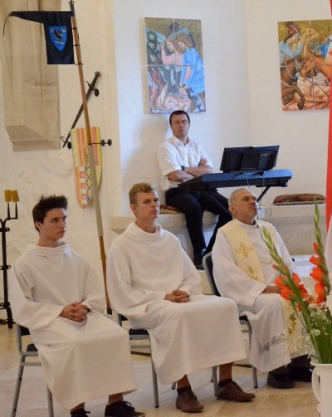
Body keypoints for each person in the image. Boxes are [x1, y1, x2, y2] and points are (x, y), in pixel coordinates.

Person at [107, 183, 254, 413]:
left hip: (179, 298)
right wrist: (162, 296)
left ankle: (225, 382)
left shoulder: (169, 239)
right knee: (175, 315)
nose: (154, 205)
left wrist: (184, 290)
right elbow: (121, 290)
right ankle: (184, 390)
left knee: (226, 306)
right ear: (133, 208)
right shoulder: (122, 245)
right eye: (147, 202)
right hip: (146, 305)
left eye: (156, 200)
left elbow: (190, 276)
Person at [9, 195, 142, 417]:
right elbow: (22, 307)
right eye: (54, 220)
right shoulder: (23, 264)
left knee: (116, 334)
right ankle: (77, 409)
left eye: (64, 219)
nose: (62, 225)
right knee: (74, 343)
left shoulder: (77, 259)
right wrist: (61, 311)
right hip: (49, 323)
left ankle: (115, 404)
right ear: (38, 224)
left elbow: (95, 294)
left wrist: (85, 306)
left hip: (83, 316)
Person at [212, 188, 312, 389]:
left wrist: (291, 283)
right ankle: (277, 369)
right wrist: (265, 289)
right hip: (248, 294)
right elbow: (226, 272)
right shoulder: (225, 234)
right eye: (246, 199)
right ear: (232, 209)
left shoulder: (269, 229)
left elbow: (286, 260)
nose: (252, 202)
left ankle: (300, 363)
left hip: (278, 289)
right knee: (274, 304)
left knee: (305, 298)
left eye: (254, 198)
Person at [157, 110, 232, 266]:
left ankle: (211, 251)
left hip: (200, 189)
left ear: (189, 124)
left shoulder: (197, 146)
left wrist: (184, 168)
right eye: (177, 122)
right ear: (171, 126)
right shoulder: (166, 147)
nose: (181, 125)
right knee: (194, 208)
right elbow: (175, 175)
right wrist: (197, 171)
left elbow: (209, 170)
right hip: (177, 191)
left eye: (184, 121)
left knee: (229, 209)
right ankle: (199, 253)